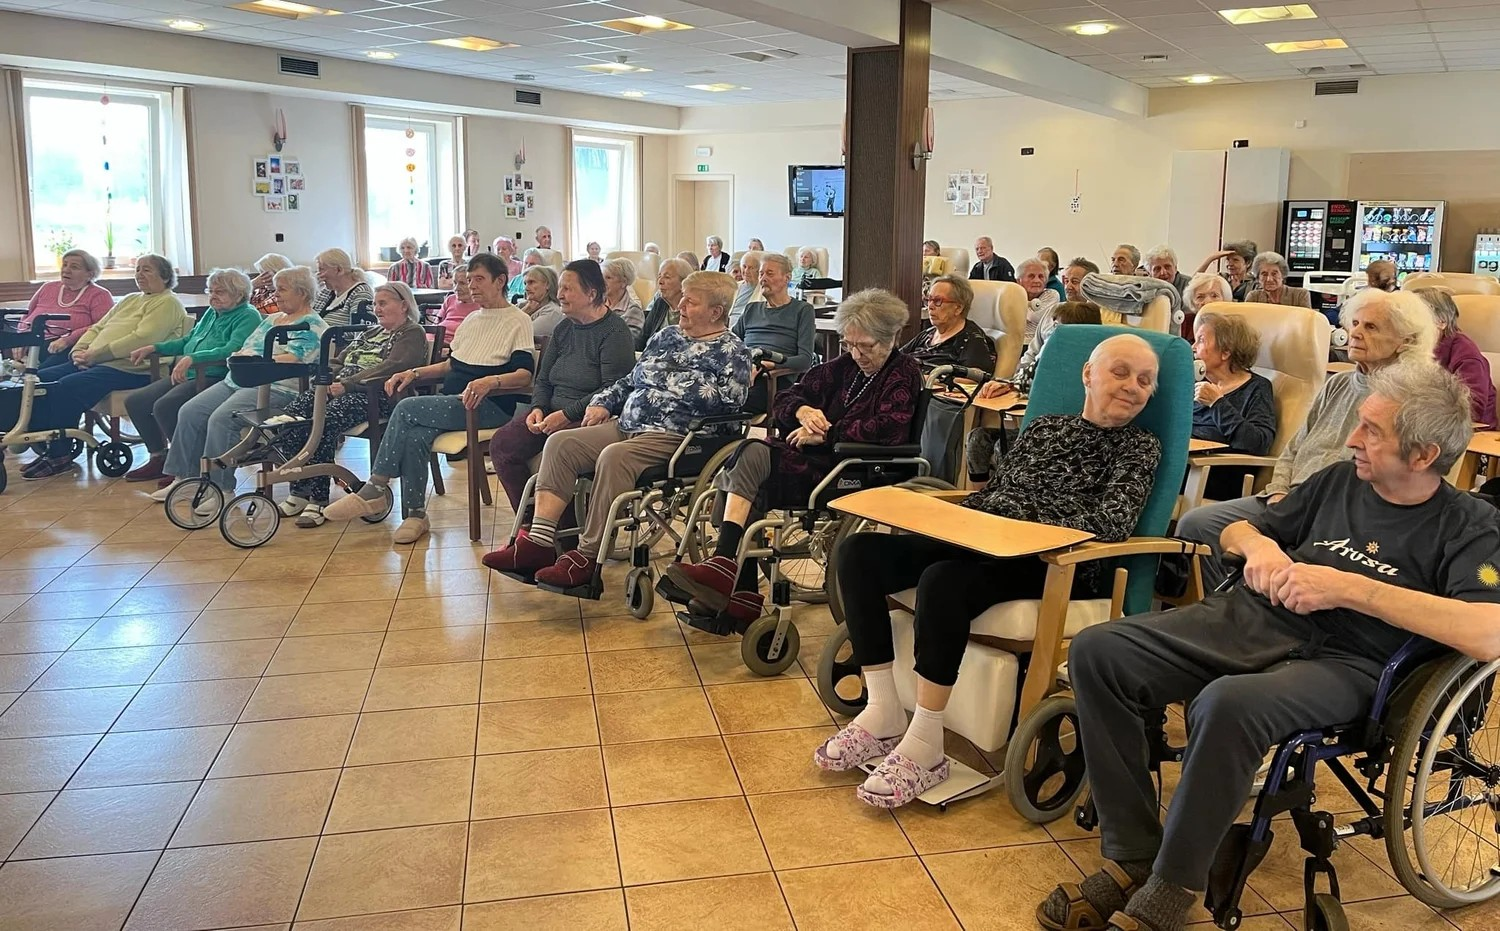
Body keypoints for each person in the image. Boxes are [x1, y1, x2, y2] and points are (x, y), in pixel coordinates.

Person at [1042, 363, 1500, 931]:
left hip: (1350, 662)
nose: (1352, 439)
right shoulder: (1338, 481)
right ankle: (1134, 852)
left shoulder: (1470, 525)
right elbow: (1236, 528)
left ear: (1423, 454)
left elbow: (1488, 631)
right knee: (1097, 652)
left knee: (1227, 704)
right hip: (1255, 618)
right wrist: (1261, 549)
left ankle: (1171, 888)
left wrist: (1348, 588)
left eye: (1372, 431)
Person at [818, 334, 1164, 808]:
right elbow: (994, 492)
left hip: (1052, 563)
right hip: (984, 538)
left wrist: (1017, 517)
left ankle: (925, 744)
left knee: (943, 580)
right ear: (1088, 375)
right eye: (1120, 372)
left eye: (1145, 381)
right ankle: (883, 711)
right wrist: (956, 515)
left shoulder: (1139, 446)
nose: (1132, 386)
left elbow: (1113, 522)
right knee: (859, 553)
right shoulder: (1043, 428)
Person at [666, 290, 925, 627]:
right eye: (849, 344)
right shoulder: (843, 367)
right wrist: (803, 410)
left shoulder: (903, 373)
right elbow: (786, 398)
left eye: (866, 346)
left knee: (751, 458)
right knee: (747, 466)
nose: (856, 354)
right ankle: (733, 583)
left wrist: (828, 434)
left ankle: (729, 576)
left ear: (892, 337)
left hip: (855, 467)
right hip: (816, 461)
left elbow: (889, 429)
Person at [482, 271, 751, 595]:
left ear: (716, 312)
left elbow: (732, 405)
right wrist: (603, 402)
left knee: (614, 457)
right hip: (627, 423)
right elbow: (629, 381)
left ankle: (587, 557)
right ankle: (539, 543)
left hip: (679, 436)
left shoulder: (732, 351)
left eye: (690, 301)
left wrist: (674, 383)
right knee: (561, 443)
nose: (680, 305)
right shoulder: (667, 337)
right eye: (682, 298)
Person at [1176, 287, 1437, 589]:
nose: (1355, 333)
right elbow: (1293, 449)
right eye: (1354, 323)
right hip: (1290, 499)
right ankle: (1220, 605)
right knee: (1197, 524)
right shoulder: (1337, 383)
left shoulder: (1408, 397)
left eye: (1371, 327)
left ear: (1405, 341)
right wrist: (1278, 492)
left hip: (1341, 513)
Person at [322, 253, 536, 544]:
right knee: (415, 436)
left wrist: (490, 381)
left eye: (479, 279)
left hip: (489, 406)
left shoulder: (518, 320)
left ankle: (376, 487)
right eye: (469, 279)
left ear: (500, 281)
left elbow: (524, 375)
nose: (471, 286)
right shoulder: (472, 319)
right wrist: (414, 372)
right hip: (455, 402)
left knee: (407, 408)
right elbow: (451, 366)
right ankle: (415, 515)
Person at [152, 266, 326, 499]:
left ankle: (220, 488)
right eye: (276, 289)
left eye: (282, 290)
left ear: (302, 293)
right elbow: (248, 346)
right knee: (190, 411)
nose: (276, 295)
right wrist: (245, 359)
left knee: (221, 419)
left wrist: (256, 361)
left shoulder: (312, 325)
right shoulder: (273, 319)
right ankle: (185, 478)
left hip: (276, 386)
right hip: (241, 379)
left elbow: (295, 359)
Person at [483, 259, 636, 519]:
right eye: (560, 288)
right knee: (502, 444)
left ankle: (562, 533)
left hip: (590, 418)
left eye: (567, 288)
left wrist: (566, 415)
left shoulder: (614, 331)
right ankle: (530, 523)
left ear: (591, 294)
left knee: (556, 455)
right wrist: (538, 408)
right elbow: (543, 379)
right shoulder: (564, 328)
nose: (560, 294)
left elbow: (613, 388)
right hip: (551, 412)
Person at [14, 255, 191, 480]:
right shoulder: (130, 299)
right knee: (41, 379)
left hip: (134, 368)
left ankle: (60, 456)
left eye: (146, 270)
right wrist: (79, 351)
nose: (139, 274)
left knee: (67, 386)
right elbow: (97, 327)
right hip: (99, 362)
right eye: (137, 269)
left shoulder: (167, 302)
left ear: (165, 276)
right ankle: (49, 443)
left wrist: (95, 355)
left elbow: (142, 338)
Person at [272, 282, 429, 527]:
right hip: (341, 389)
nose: (377, 309)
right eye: (375, 304)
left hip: (376, 395)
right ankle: (300, 489)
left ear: (403, 305)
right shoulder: (370, 332)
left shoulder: (411, 332)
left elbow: (394, 366)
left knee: (323, 422)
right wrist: (325, 378)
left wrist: (348, 384)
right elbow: (340, 359)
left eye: (383, 303)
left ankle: (318, 498)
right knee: (291, 418)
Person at [123, 268, 262, 484]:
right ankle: (159, 457)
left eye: (220, 292)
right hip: (191, 373)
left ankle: (188, 464)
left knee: (165, 406)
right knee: (136, 401)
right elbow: (188, 340)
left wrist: (193, 358)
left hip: (215, 375)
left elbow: (233, 349)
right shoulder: (213, 312)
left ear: (238, 294)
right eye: (211, 291)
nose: (213, 296)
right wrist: (155, 347)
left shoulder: (248, 315)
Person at [1191, 311, 1277, 499]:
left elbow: (1258, 443)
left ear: (1226, 351)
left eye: (1201, 340)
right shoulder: (1194, 383)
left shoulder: (1257, 388)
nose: (1193, 347)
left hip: (1214, 474)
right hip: (1183, 463)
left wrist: (1217, 403)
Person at [735, 253, 817, 413]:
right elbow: (730, 344)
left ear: (787, 278)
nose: (763, 278)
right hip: (743, 371)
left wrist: (770, 364)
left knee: (729, 402)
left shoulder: (802, 310)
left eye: (770, 273)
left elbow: (805, 360)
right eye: (761, 274)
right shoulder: (751, 309)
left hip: (772, 379)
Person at [13, 249, 112, 368]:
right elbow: (26, 315)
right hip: (33, 343)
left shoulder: (99, 295)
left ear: (89, 274)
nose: (66, 270)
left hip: (68, 347)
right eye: (64, 265)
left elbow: (102, 325)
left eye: (74, 267)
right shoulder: (48, 287)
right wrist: (22, 338)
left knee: (40, 373)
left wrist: (68, 339)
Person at [1416, 287, 1496, 428]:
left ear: (1441, 322)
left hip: (1466, 431)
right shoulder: (1411, 347)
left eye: (1416, 315)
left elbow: (1470, 409)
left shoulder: (1467, 354)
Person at [901, 274, 996, 372]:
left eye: (938, 301)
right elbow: (896, 358)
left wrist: (924, 378)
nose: (930, 306)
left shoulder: (972, 339)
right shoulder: (927, 334)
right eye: (929, 299)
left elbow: (976, 377)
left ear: (958, 308)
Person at [637, 257, 693, 351]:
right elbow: (641, 340)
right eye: (659, 276)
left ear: (683, 283)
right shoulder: (660, 304)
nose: (660, 282)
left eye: (667, 277)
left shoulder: (692, 310)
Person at [313, 248, 374, 326]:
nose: (319, 275)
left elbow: (359, 328)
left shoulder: (361, 291)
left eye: (322, 270)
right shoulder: (325, 291)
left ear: (339, 270)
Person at [1017, 256, 1061, 344]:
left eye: (1041, 276)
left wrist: (1018, 311)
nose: (1037, 280)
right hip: (1014, 342)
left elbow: (1034, 316)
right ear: (1019, 281)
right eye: (1031, 276)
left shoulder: (1051, 295)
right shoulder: (1012, 294)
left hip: (1038, 344)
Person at [1245, 251, 1312, 308]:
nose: (1269, 279)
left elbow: (1306, 319)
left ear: (1283, 275)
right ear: (1258, 277)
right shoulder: (1254, 297)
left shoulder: (1300, 295)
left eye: (1274, 274)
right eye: (1264, 274)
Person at [519, 264, 566, 344]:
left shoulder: (552, 312)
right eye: (525, 283)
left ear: (547, 285)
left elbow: (521, 335)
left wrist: (524, 313)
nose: (526, 288)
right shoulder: (523, 305)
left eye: (531, 282)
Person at [435, 265, 480, 345]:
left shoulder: (481, 305)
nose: (456, 288)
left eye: (462, 283)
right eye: (455, 283)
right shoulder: (450, 299)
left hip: (458, 345)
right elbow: (436, 324)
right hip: (436, 340)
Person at [1180, 272, 1234, 338]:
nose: (1207, 302)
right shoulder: (1185, 323)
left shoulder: (1233, 325)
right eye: (1200, 297)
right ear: (1192, 302)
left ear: (1225, 299)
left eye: (1214, 296)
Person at [600, 257, 644, 336]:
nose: (602, 281)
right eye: (602, 277)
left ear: (623, 282)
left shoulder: (633, 310)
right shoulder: (596, 304)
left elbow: (629, 340)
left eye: (608, 278)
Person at [730, 251, 762, 325]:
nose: (746, 271)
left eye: (751, 268)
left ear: (759, 270)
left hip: (746, 325)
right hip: (726, 324)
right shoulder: (733, 286)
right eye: (744, 266)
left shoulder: (763, 289)